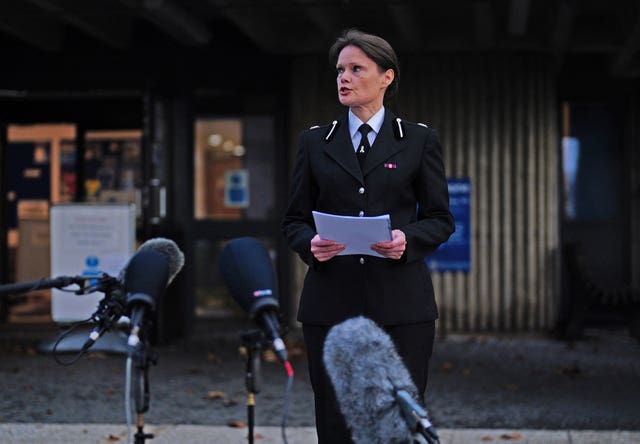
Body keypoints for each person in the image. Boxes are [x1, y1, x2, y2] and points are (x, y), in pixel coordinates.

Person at [282, 29, 455, 443]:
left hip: (401, 306)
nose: (344, 77)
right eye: (340, 70)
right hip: (330, 304)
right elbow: (294, 221)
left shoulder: (417, 140)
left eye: (357, 68)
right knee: (335, 419)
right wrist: (311, 244)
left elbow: (439, 219)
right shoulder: (313, 142)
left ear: (386, 77)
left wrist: (406, 241)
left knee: (399, 420)